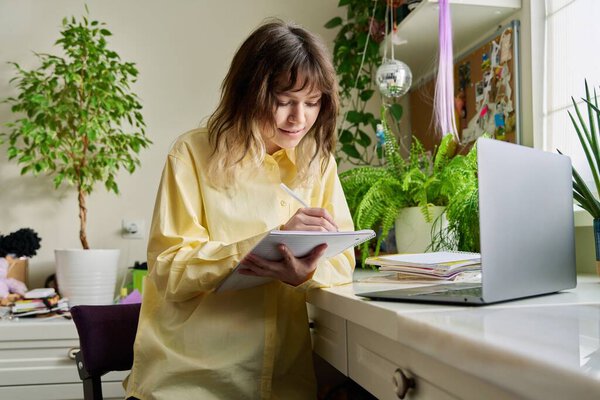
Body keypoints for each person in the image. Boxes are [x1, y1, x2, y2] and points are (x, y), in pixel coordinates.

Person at [124, 19, 355, 400]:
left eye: (312, 103)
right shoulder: (193, 154)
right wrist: (254, 250)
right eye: (284, 102)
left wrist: (305, 272)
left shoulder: (319, 163)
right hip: (191, 380)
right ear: (250, 93)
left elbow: (343, 262)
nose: (299, 118)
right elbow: (167, 267)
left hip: (285, 381)